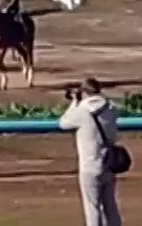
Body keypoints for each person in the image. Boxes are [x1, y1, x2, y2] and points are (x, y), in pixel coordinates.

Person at [60, 77, 123, 226]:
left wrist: (75, 102)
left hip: (89, 165)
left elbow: (63, 123)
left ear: (84, 92)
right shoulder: (111, 107)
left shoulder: (82, 110)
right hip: (109, 162)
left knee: (93, 209)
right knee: (110, 206)